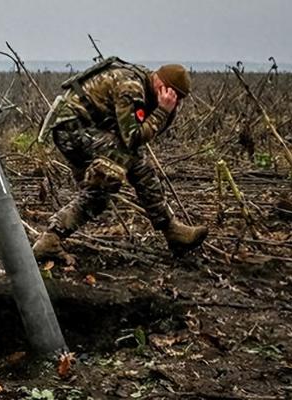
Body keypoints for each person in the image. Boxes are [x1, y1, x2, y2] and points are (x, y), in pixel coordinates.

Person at [33, 58, 208, 264]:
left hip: (88, 127)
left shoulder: (145, 82)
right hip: (72, 129)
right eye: (173, 97)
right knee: (105, 182)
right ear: (162, 86)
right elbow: (132, 136)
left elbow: (138, 135)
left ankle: (171, 229)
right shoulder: (132, 87)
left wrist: (164, 112)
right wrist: (162, 111)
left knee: (138, 164)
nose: (174, 102)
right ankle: (50, 239)